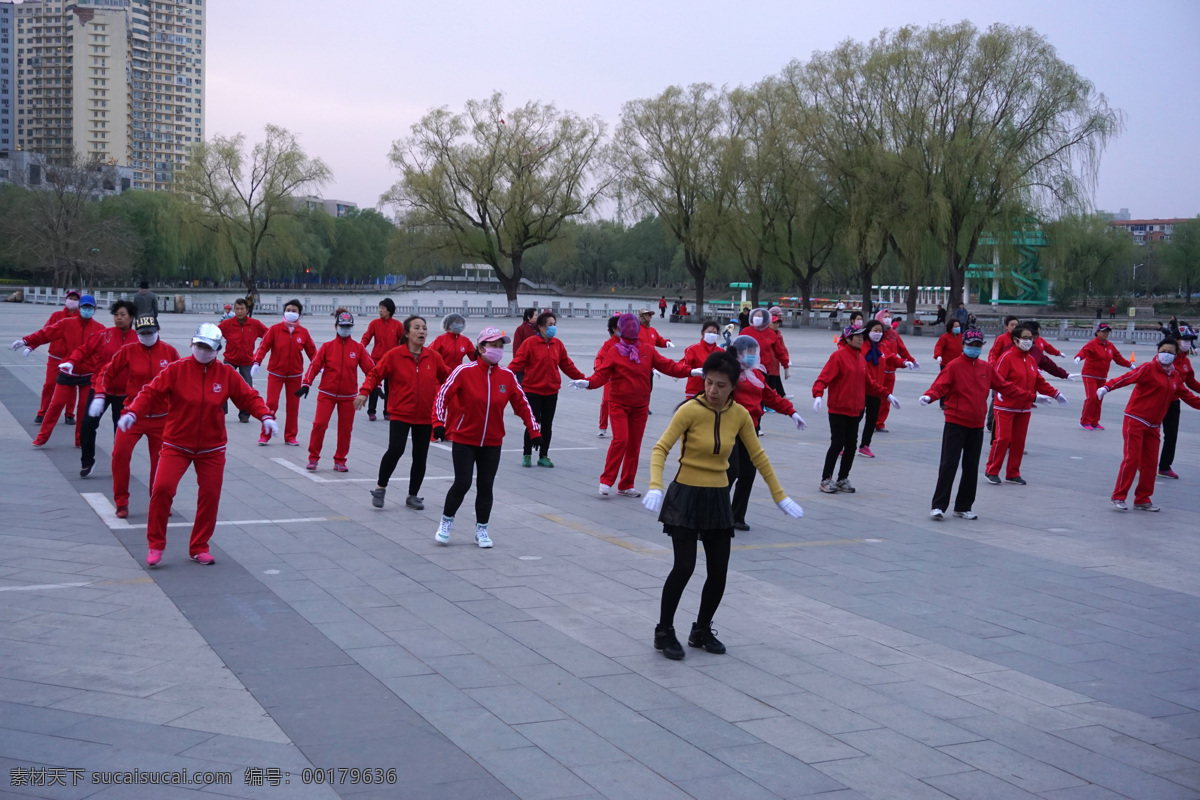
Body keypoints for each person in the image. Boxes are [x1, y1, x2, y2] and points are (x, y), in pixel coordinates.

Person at [644, 350, 804, 660]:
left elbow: (758, 457)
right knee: (685, 567)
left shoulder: (740, 415)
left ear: (734, 387)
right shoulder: (689, 410)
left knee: (719, 572)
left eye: (720, 385)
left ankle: (701, 630)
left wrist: (779, 495)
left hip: (718, 497)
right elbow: (660, 448)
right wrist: (655, 485)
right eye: (708, 383)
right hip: (686, 495)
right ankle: (664, 632)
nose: (713, 390)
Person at [119, 324, 278, 566]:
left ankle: (199, 546)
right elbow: (150, 392)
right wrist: (133, 412)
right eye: (199, 346)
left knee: (210, 496)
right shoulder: (176, 370)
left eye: (208, 347)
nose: (202, 351)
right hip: (176, 444)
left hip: (212, 449)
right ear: (192, 344)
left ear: (217, 350)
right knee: (161, 490)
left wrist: (265, 416)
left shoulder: (226, 374)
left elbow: (248, 397)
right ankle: (156, 544)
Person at [431, 328, 542, 548]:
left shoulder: (507, 377)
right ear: (481, 348)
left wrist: (534, 430)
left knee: (485, 485)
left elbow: (522, 404)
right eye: (493, 346)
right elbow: (442, 395)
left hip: (492, 441)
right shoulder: (464, 371)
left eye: (501, 346)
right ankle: (446, 522)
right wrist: (438, 423)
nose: (498, 350)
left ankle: (482, 529)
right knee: (462, 483)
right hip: (465, 439)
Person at [571, 313, 692, 496]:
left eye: (633, 326)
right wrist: (588, 383)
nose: (630, 329)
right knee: (621, 440)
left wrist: (692, 371)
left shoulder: (647, 349)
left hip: (641, 406)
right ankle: (606, 480)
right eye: (626, 326)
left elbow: (668, 366)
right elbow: (601, 374)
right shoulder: (614, 350)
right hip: (619, 404)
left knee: (634, 445)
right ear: (620, 329)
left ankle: (626, 484)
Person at [919, 329, 1030, 521]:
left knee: (971, 467)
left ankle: (963, 506)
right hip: (955, 423)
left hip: (976, 425)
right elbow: (940, 386)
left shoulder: (986, 368)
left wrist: (1033, 396)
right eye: (971, 345)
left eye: (978, 345)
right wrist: (929, 396)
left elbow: (1006, 386)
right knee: (949, 464)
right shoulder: (953, 366)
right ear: (964, 345)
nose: (974, 348)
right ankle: (938, 506)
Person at [358, 315, 450, 510]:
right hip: (400, 412)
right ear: (407, 333)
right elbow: (375, 374)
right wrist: (364, 392)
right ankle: (380, 488)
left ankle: (413, 495)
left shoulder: (433, 357)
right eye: (417, 328)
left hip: (425, 415)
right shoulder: (394, 355)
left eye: (424, 328)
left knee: (420, 455)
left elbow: (449, 380)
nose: (422, 331)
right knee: (396, 450)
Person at [93, 316, 180, 518]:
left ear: (158, 330)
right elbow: (107, 373)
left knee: (161, 463)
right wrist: (99, 394)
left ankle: (159, 501)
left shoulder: (169, 352)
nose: (147, 337)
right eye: (142, 334)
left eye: (150, 333)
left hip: (161, 417)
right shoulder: (128, 351)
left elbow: (183, 379)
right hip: (132, 415)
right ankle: (121, 501)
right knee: (119, 455)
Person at [1100, 337, 1200, 511]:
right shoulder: (1148, 368)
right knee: (1132, 459)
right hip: (1136, 419)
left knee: (1151, 463)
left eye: (1170, 352)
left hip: (1154, 425)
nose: (1166, 355)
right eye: (1163, 351)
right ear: (1157, 352)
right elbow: (1127, 378)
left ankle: (1142, 499)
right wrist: (1106, 387)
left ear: (1176, 355)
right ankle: (1119, 496)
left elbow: (1189, 397)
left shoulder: (1175, 375)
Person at [716, 336, 805, 530]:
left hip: (751, 428)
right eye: (748, 352)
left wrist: (792, 412)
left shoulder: (756, 373)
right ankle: (717, 513)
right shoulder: (728, 373)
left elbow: (771, 396)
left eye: (754, 352)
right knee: (730, 471)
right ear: (738, 352)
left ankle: (737, 516)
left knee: (748, 473)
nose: (752, 356)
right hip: (730, 428)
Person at [812, 324, 895, 494]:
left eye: (862, 336)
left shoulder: (861, 358)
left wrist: (887, 395)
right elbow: (823, 378)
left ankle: (843, 478)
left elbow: (869, 383)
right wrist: (818, 394)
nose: (860, 339)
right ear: (848, 338)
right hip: (838, 409)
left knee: (851, 446)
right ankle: (826, 479)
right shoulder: (838, 356)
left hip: (855, 410)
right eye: (857, 336)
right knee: (837, 444)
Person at [984, 325, 1069, 485]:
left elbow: (1039, 381)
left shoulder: (1030, 359)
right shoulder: (1006, 358)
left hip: (1024, 408)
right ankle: (991, 471)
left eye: (1031, 338)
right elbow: (999, 382)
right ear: (1015, 340)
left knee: (1019, 441)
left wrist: (1056, 394)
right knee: (1003, 439)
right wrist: (1033, 397)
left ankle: (1013, 473)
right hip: (1005, 407)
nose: (1028, 341)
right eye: (1025, 338)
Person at [14, 294, 104, 441]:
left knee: (83, 409)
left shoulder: (100, 329)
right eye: (84, 307)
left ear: (94, 309)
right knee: (55, 406)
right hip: (68, 372)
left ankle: (80, 440)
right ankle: (41, 438)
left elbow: (109, 350)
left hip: (88, 375)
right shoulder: (66, 323)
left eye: (90, 307)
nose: (87, 310)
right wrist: (27, 341)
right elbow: (45, 333)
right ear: (80, 308)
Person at [298, 311, 375, 472]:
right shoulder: (327, 347)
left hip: (349, 396)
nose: (345, 329)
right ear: (336, 327)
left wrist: (375, 387)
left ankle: (340, 459)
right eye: (342, 326)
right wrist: (306, 383)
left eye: (348, 326)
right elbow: (314, 366)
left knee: (345, 429)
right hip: (327, 394)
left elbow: (371, 370)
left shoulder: (358, 348)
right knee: (319, 425)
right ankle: (313, 457)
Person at [508, 311, 585, 468]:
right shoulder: (530, 343)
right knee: (533, 422)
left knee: (547, 425)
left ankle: (544, 455)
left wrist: (584, 379)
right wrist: (505, 376)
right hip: (532, 390)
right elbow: (517, 362)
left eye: (554, 325)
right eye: (550, 325)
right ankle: (527, 454)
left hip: (551, 391)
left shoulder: (558, 344)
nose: (553, 328)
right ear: (541, 327)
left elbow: (567, 365)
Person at [73, 300, 139, 477]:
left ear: (131, 317)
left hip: (125, 393)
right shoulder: (104, 335)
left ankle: (120, 462)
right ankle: (87, 461)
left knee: (121, 431)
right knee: (87, 424)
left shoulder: (138, 339)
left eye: (122, 315)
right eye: (116, 315)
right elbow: (83, 350)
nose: (118, 318)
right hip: (100, 389)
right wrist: (71, 362)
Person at [252, 299, 316, 446]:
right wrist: (257, 362)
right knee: (271, 404)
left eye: (294, 311)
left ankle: (290, 436)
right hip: (276, 373)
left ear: (299, 313)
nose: (291, 313)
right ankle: (265, 434)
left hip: (295, 375)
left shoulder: (303, 333)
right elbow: (263, 347)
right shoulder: (274, 330)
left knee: (293, 406)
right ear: (284, 312)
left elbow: (313, 352)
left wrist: (321, 367)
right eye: (289, 310)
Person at [858, 319, 913, 458]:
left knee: (871, 419)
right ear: (868, 331)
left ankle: (865, 446)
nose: (877, 334)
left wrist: (904, 363)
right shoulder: (861, 346)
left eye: (880, 331)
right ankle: (845, 444)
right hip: (861, 388)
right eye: (875, 330)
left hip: (877, 389)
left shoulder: (881, 347)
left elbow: (891, 358)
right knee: (855, 419)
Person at [30, 290, 80, 424]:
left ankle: (69, 414)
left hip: (71, 360)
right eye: (71, 298)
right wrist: (31, 345)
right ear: (66, 299)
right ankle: (42, 412)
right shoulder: (56, 316)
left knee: (71, 387)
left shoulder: (81, 318)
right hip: (55, 357)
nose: (72, 301)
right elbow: (45, 333)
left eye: (75, 299)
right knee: (49, 385)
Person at [218, 297, 268, 423]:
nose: (239, 311)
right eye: (237, 309)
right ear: (234, 310)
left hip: (247, 361)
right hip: (230, 360)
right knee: (222, 386)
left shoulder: (254, 324)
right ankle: (221, 412)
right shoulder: (227, 324)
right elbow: (214, 334)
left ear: (247, 310)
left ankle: (244, 414)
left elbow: (269, 335)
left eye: (242, 309)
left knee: (247, 389)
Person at [1074, 322, 1132, 431]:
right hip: (1089, 375)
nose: (1105, 334)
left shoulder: (1110, 346)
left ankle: (1094, 422)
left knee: (1099, 398)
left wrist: (1129, 365)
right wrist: (1078, 357)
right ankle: (1084, 421)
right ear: (1097, 332)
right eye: (1103, 331)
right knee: (1092, 398)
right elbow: (1084, 351)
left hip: (1102, 377)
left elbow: (1118, 358)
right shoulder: (1092, 344)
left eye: (1107, 331)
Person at [1159, 328, 1200, 479]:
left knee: (1171, 436)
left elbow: (1191, 383)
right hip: (1157, 401)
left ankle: (1164, 467)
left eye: (1190, 341)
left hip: (1173, 402)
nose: (1188, 343)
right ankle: (1140, 462)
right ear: (1175, 340)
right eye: (1185, 340)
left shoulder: (1186, 361)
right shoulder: (1165, 358)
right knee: (1150, 434)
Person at [873, 309, 916, 433]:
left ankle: (880, 423)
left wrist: (911, 361)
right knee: (875, 399)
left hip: (891, 374)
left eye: (889, 316)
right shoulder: (877, 334)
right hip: (879, 372)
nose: (887, 319)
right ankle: (872, 421)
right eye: (885, 316)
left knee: (887, 400)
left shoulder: (894, 334)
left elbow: (902, 350)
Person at [360, 299, 402, 421]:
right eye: (380, 308)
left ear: (389, 310)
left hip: (392, 361)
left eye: (383, 308)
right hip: (376, 360)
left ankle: (387, 411)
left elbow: (403, 341)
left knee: (390, 387)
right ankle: (371, 411)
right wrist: (360, 348)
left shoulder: (397, 325)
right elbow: (366, 337)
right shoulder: (374, 323)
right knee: (373, 386)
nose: (380, 311)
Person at [680, 321, 724, 398]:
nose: (712, 334)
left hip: (714, 391)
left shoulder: (721, 351)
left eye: (715, 333)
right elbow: (683, 365)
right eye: (709, 332)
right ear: (703, 333)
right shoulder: (692, 349)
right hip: (695, 390)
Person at [595, 315, 620, 437]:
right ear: (613, 329)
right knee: (606, 401)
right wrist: (599, 370)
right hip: (610, 379)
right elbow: (599, 357)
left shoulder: (630, 342)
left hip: (624, 379)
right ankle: (602, 426)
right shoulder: (609, 344)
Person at [764, 308, 791, 398]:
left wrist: (786, 362)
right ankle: (770, 401)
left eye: (777, 323)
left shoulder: (777, 334)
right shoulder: (765, 334)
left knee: (774, 380)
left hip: (775, 362)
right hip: (767, 364)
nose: (776, 325)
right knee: (769, 382)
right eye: (774, 322)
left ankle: (780, 395)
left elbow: (782, 349)